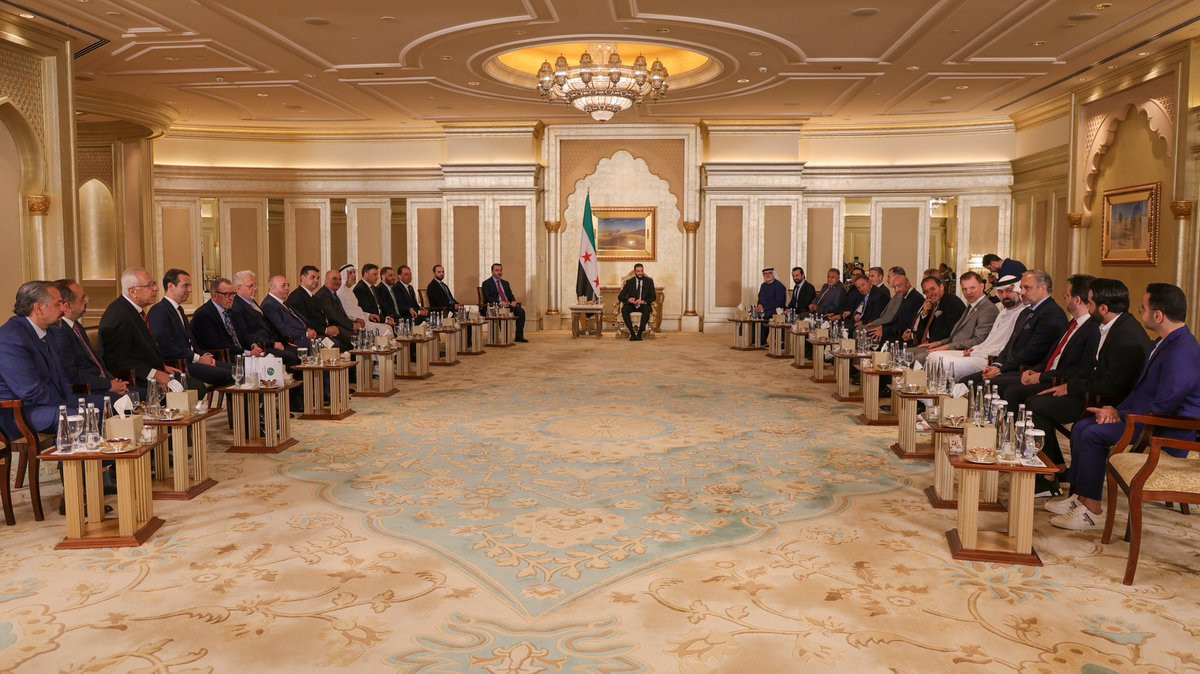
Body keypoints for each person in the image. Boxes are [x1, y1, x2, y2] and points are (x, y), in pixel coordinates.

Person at [1046, 283, 1200, 531]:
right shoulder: (1164, 342)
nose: (1140, 313)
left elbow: (1165, 404)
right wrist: (1116, 411)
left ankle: (1092, 510)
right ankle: (1080, 498)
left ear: (1158, 315)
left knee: (1092, 433)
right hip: (1144, 418)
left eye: (1143, 308)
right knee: (1082, 427)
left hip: (1165, 430)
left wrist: (1122, 415)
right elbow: (1140, 391)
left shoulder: (1182, 351)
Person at [1025, 278, 1151, 496]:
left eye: (1090, 303)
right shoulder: (1115, 326)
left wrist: (1071, 388)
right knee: (1036, 402)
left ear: (1103, 308)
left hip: (1106, 401)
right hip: (1093, 393)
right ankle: (1055, 469)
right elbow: (1093, 368)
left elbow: (1111, 385)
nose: (1088, 306)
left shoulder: (1126, 338)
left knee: (1037, 405)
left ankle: (1049, 476)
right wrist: (1069, 385)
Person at [998, 274, 1099, 408]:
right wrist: (1035, 371)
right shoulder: (1072, 324)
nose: (1065, 298)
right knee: (1000, 384)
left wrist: (1040, 376)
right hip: (1048, 375)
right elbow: (1052, 357)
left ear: (1077, 300)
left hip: (1060, 381)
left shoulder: (1093, 329)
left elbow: (1079, 369)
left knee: (1013, 392)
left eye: (1067, 295)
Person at [965, 269, 1068, 388]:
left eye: (1027, 288)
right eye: (1021, 288)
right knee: (966, 381)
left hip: (1028, 371)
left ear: (1043, 288)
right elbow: (1010, 345)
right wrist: (997, 365)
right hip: (1011, 367)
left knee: (981, 385)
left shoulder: (1051, 313)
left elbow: (1033, 352)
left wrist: (1001, 369)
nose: (1021, 292)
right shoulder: (1025, 312)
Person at [99, 267, 195, 394]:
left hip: (151, 371)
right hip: (135, 380)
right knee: (194, 387)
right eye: (150, 285)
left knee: (194, 386)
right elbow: (118, 361)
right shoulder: (119, 315)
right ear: (133, 291)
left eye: (154, 284)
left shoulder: (134, 311)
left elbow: (142, 351)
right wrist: (154, 374)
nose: (156, 288)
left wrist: (161, 367)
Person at [0, 282, 77, 437]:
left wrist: (73, 404)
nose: (63, 309)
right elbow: (31, 390)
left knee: (91, 410)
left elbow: (61, 377)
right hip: (18, 413)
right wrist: (67, 407)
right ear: (38, 308)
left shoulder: (46, 332)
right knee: (77, 417)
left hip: (45, 406)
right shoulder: (11, 338)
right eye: (58, 304)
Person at [145, 268, 232, 390]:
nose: (190, 290)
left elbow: (191, 344)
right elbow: (166, 347)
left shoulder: (179, 309)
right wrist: (198, 358)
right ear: (171, 286)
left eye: (189, 286)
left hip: (192, 360)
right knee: (231, 374)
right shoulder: (159, 311)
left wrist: (204, 355)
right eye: (185, 286)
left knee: (236, 370)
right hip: (180, 364)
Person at [926, 275, 1024, 381]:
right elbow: (989, 340)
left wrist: (976, 352)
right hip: (980, 351)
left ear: (1019, 291)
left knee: (944, 363)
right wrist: (975, 349)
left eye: (1009, 291)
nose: (1004, 295)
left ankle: (946, 390)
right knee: (933, 357)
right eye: (1001, 292)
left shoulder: (1022, 313)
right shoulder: (1003, 312)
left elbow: (1003, 346)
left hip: (991, 358)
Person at [48, 279, 130, 396]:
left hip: (102, 385)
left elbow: (97, 364)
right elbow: (71, 374)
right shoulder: (59, 332)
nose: (87, 301)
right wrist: (108, 385)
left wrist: (114, 382)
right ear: (68, 306)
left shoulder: (77, 326)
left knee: (140, 395)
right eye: (83, 299)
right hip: (87, 391)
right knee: (135, 398)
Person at [913, 272, 998, 363]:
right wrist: (938, 343)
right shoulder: (972, 306)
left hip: (968, 353)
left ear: (982, 287)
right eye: (964, 289)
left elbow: (979, 340)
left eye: (972, 288)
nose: (968, 292)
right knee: (909, 353)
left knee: (919, 357)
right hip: (953, 348)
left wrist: (947, 346)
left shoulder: (987, 308)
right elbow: (955, 335)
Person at [191, 277, 267, 358]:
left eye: (233, 294)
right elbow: (217, 344)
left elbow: (242, 334)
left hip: (240, 354)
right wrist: (247, 353)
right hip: (221, 357)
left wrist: (253, 345)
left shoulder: (232, 311)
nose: (231, 298)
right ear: (214, 295)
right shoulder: (203, 314)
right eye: (227, 295)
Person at [287, 265, 348, 350]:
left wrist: (331, 329)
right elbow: (304, 323)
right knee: (335, 344)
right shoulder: (297, 297)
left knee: (346, 338)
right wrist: (326, 330)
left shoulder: (313, 297)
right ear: (303, 278)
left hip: (321, 333)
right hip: (308, 336)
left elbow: (322, 317)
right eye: (313, 277)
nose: (316, 280)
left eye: (318, 278)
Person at [904, 275, 965, 347]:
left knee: (909, 352)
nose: (930, 294)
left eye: (932, 289)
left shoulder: (952, 302)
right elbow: (922, 331)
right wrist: (924, 313)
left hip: (944, 346)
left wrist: (931, 341)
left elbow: (952, 331)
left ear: (941, 287)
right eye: (926, 292)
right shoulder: (932, 303)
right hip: (925, 344)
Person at [263, 274, 317, 351]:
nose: (287, 288)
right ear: (272, 288)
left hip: (302, 335)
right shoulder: (269, 305)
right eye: (283, 286)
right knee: (318, 345)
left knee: (326, 342)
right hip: (291, 340)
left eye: (288, 285)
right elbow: (282, 329)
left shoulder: (283, 303)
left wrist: (308, 330)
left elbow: (299, 320)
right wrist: (305, 334)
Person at [869, 273, 924, 342]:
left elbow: (904, 324)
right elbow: (898, 320)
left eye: (899, 286)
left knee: (875, 339)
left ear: (908, 284)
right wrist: (883, 327)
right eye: (894, 287)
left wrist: (884, 330)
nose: (896, 290)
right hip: (898, 333)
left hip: (906, 337)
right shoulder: (907, 296)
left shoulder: (914, 298)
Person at [336, 264, 392, 331]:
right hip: (356, 323)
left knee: (388, 328)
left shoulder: (349, 291)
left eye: (354, 272)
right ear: (343, 276)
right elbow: (344, 313)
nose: (354, 275)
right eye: (350, 273)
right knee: (386, 329)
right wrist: (356, 319)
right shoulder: (340, 292)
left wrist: (369, 315)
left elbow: (357, 310)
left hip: (364, 320)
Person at [480, 263, 527, 343]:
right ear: (492, 271)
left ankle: (519, 337)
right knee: (502, 312)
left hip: (508, 305)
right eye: (497, 270)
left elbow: (510, 295)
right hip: (495, 307)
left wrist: (513, 301)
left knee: (521, 311)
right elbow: (487, 298)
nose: (499, 272)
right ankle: (505, 337)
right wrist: (500, 303)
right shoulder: (486, 283)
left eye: (500, 270)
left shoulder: (505, 283)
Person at [316, 269, 364, 346]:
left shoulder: (333, 294)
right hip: (332, 329)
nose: (338, 282)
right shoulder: (323, 295)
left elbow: (342, 315)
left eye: (340, 279)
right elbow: (335, 317)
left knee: (362, 335)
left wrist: (353, 324)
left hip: (340, 327)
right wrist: (352, 326)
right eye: (334, 279)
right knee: (356, 339)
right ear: (326, 280)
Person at [618, 263, 655, 341]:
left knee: (647, 309)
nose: (640, 273)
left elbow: (653, 296)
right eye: (638, 271)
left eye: (641, 271)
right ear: (635, 272)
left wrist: (644, 301)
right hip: (632, 305)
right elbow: (620, 296)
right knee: (624, 309)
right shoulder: (629, 282)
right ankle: (632, 333)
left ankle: (640, 333)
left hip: (643, 305)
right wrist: (628, 300)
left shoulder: (649, 281)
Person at [756, 268, 787, 344]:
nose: (767, 275)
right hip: (764, 309)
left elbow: (779, 303)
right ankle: (756, 340)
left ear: (773, 274)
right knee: (753, 315)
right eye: (765, 274)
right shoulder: (763, 285)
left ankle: (762, 341)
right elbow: (759, 298)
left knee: (764, 315)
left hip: (776, 310)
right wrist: (759, 305)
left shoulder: (779, 286)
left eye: (769, 273)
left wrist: (764, 309)